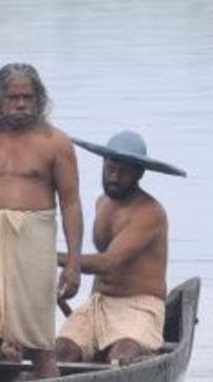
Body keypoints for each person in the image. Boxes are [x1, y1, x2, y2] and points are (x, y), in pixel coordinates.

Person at [0, 62, 83, 381]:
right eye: (13, 97)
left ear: (39, 99)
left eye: (28, 96)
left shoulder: (56, 143)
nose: (21, 104)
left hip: (35, 242)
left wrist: (73, 262)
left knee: (39, 342)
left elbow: (70, 203)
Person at [55, 130, 186, 365]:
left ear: (139, 173)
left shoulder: (150, 213)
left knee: (121, 355)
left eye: (123, 172)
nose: (114, 178)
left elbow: (109, 262)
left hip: (139, 305)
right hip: (99, 303)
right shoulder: (102, 203)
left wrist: (50, 256)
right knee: (61, 353)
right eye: (111, 169)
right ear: (104, 165)